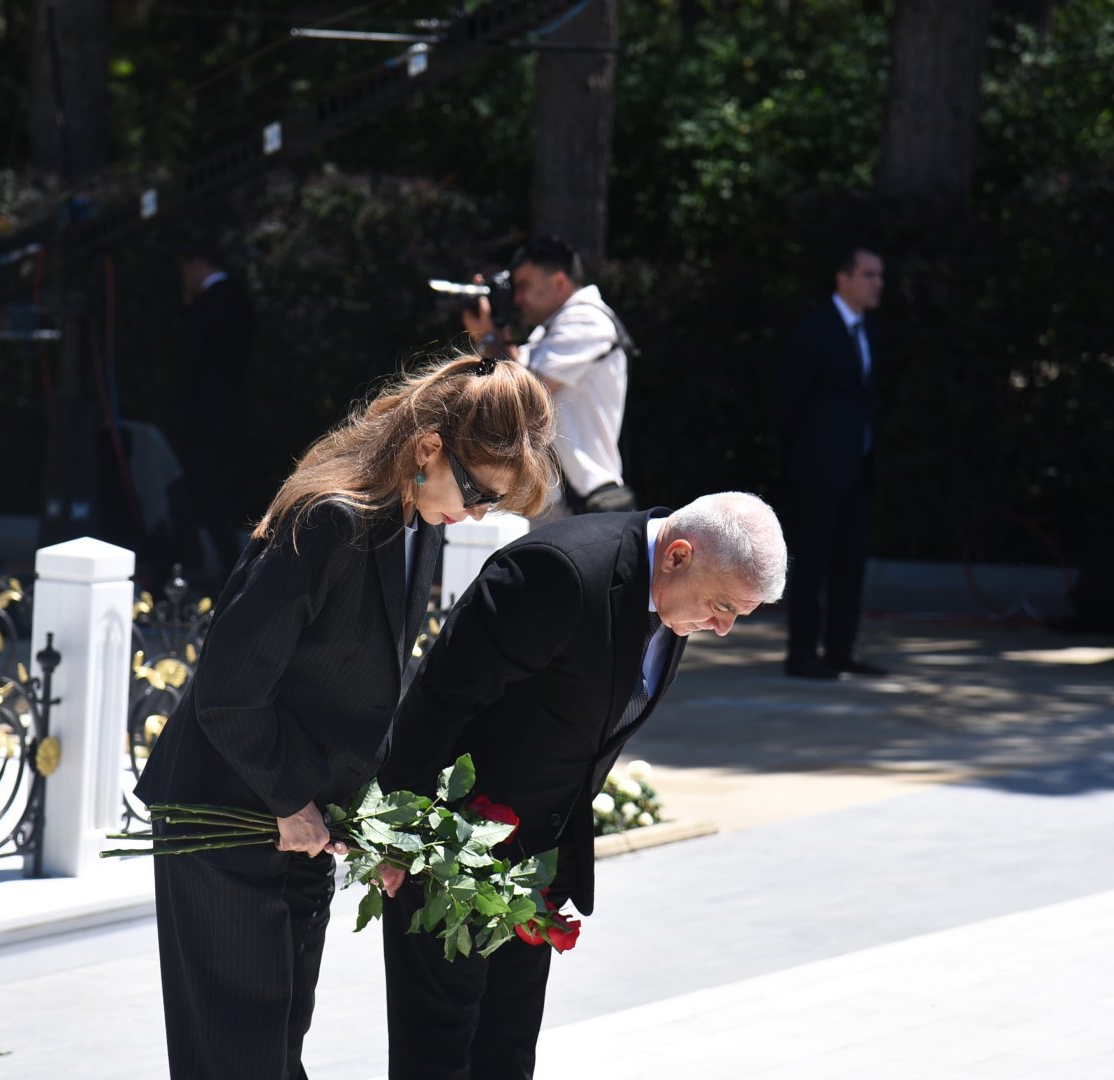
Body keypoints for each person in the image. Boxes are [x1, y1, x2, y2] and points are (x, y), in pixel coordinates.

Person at [134, 353, 558, 1079]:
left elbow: (359, 696)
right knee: (239, 1057)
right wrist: (293, 804)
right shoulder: (332, 517)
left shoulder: (416, 523)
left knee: (277, 1045)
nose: (480, 515)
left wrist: (372, 821)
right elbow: (228, 693)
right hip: (230, 810)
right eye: (482, 493)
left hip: (295, 821)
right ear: (430, 449)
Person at [377, 492, 787, 1080]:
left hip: (537, 866)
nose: (721, 629)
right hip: (450, 853)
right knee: (438, 1054)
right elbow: (436, 703)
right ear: (676, 556)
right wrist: (405, 833)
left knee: (508, 1052)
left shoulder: (672, 600)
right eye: (721, 606)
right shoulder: (558, 573)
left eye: (736, 616)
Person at [769, 245, 888, 680]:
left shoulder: (869, 332)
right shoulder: (817, 330)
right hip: (818, 471)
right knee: (813, 562)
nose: (877, 283)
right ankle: (801, 652)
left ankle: (841, 649)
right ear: (844, 278)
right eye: (869, 274)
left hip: (857, 469)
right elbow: (788, 400)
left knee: (851, 562)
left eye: (879, 275)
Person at [463, 235, 635, 516]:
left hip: (584, 503)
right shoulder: (550, 330)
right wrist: (490, 334)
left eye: (524, 286)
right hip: (561, 502)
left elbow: (525, 395)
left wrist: (494, 334)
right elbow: (510, 380)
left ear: (558, 282)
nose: (517, 298)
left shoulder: (587, 320)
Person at [170, 233, 256, 587]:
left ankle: (222, 570)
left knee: (208, 494)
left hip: (204, 418)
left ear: (195, 264)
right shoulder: (238, 299)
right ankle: (222, 566)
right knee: (217, 493)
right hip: (228, 415)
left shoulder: (210, 304)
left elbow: (190, 363)